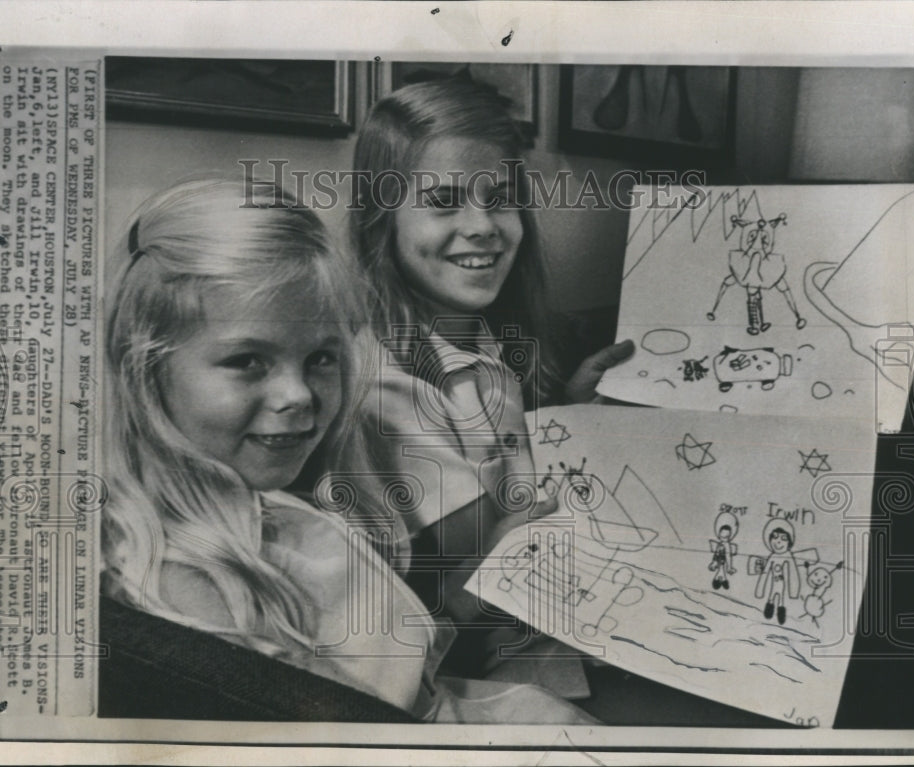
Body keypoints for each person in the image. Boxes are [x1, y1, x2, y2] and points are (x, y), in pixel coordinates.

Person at [101, 177, 593, 724]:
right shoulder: (185, 582)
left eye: (321, 358)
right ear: (145, 369)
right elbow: (367, 730)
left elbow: (397, 659)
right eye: (247, 361)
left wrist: (495, 560)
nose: (299, 395)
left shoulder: (272, 508)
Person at [350, 78, 635, 637]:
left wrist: (573, 420)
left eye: (500, 199)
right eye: (443, 202)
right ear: (382, 218)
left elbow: (520, 497)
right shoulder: (387, 386)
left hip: (557, 626)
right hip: (489, 664)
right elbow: (483, 567)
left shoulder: (484, 344)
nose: (482, 226)